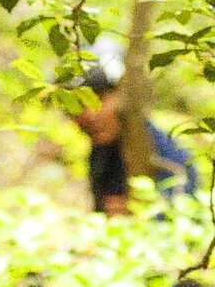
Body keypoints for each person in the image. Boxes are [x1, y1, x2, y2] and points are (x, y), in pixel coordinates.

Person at [76, 34, 198, 216]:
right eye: (78, 104)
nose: (89, 114)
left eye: (100, 98)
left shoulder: (171, 160)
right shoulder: (101, 152)